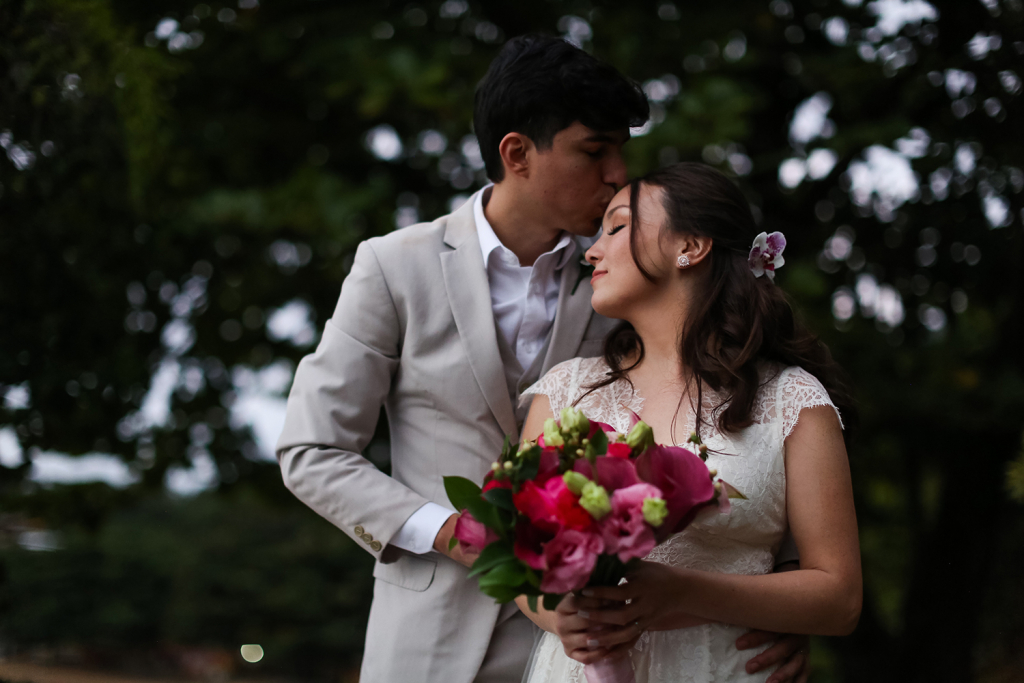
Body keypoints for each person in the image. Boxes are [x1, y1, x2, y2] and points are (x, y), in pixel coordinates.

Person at [277, 35, 810, 683]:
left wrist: (779, 594)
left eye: (621, 149)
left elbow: (709, 402)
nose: (618, 172)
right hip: (428, 639)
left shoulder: (625, 277)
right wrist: (458, 533)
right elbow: (311, 450)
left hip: (597, 646)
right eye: (595, 149)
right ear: (517, 153)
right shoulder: (394, 267)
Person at [515, 162, 862, 683]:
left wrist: (683, 591)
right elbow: (522, 560)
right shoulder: (566, 391)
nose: (592, 250)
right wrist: (559, 615)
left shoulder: (790, 397)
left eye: (617, 227)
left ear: (690, 246)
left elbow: (839, 598)